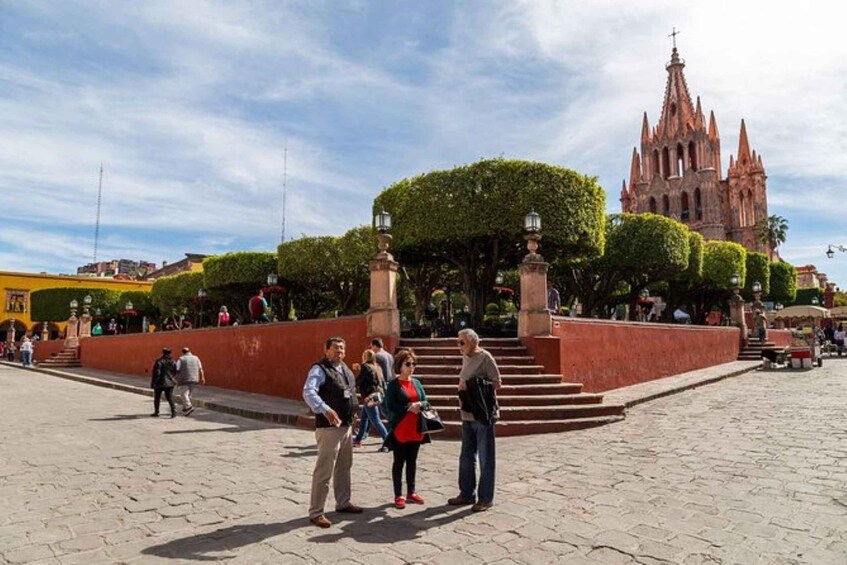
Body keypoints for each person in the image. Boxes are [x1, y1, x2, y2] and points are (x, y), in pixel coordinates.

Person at [302, 337, 362, 528]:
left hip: (346, 425)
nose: (339, 351)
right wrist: (325, 409)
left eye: (342, 348)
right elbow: (308, 392)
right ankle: (316, 512)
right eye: (335, 348)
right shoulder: (319, 369)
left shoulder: (345, 370)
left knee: (344, 466)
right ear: (326, 350)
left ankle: (343, 502)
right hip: (329, 428)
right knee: (324, 470)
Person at [448, 328, 501, 512]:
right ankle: (466, 493)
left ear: (473, 342)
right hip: (467, 413)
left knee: (486, 457)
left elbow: (496, 382)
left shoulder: (485, 358)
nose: (459, 346)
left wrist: (471, 385)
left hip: (482, 415)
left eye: (461, 342)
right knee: (466, 455)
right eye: (458, 342)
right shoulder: (466, 356)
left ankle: (486, 498)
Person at [384, 349, 430, 509]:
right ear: (400, 365)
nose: (412, 367)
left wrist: (420, 405)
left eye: (414, 364)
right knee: (399, 462)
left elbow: (426, 401)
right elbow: (389, 406)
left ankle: (411, 492)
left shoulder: (416, 383)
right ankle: (398, 495)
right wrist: (407, 407)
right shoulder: (393, 385)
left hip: (416, 429)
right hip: (401, 429)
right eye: (408, 364)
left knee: (412, 461)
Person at [352, 349, 389, 449]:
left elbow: (359, 380)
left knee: (376, 420)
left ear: (365, 357)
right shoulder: (377, 367)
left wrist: (352, 384)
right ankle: (358, 440)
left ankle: (388, 441)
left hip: (369, 397)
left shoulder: (365, 367)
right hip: (376, 396)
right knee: (364, 418)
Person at [175, 347, 205, 416]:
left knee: (183, 394)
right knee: (188, 394)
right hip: (194, 378)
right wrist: (203, 377)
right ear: (189, 351)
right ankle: (185, 409)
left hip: (184, 379)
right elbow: (200, 368)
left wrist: (175, 378)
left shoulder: (181, 359)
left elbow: (177, 370)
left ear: (182, 352)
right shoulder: (196, 358)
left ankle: (189, 406)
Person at [150, 348, 178, 418]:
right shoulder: (173, 361)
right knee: (170, 398)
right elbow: (175, 371)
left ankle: (157, 412)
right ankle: (173, 411)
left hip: (160, 382)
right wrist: (171, 378)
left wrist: (154, 383)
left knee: (157, 398)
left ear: (163, 353)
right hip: (170, 382)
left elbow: (157, 373)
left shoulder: (159, 361)